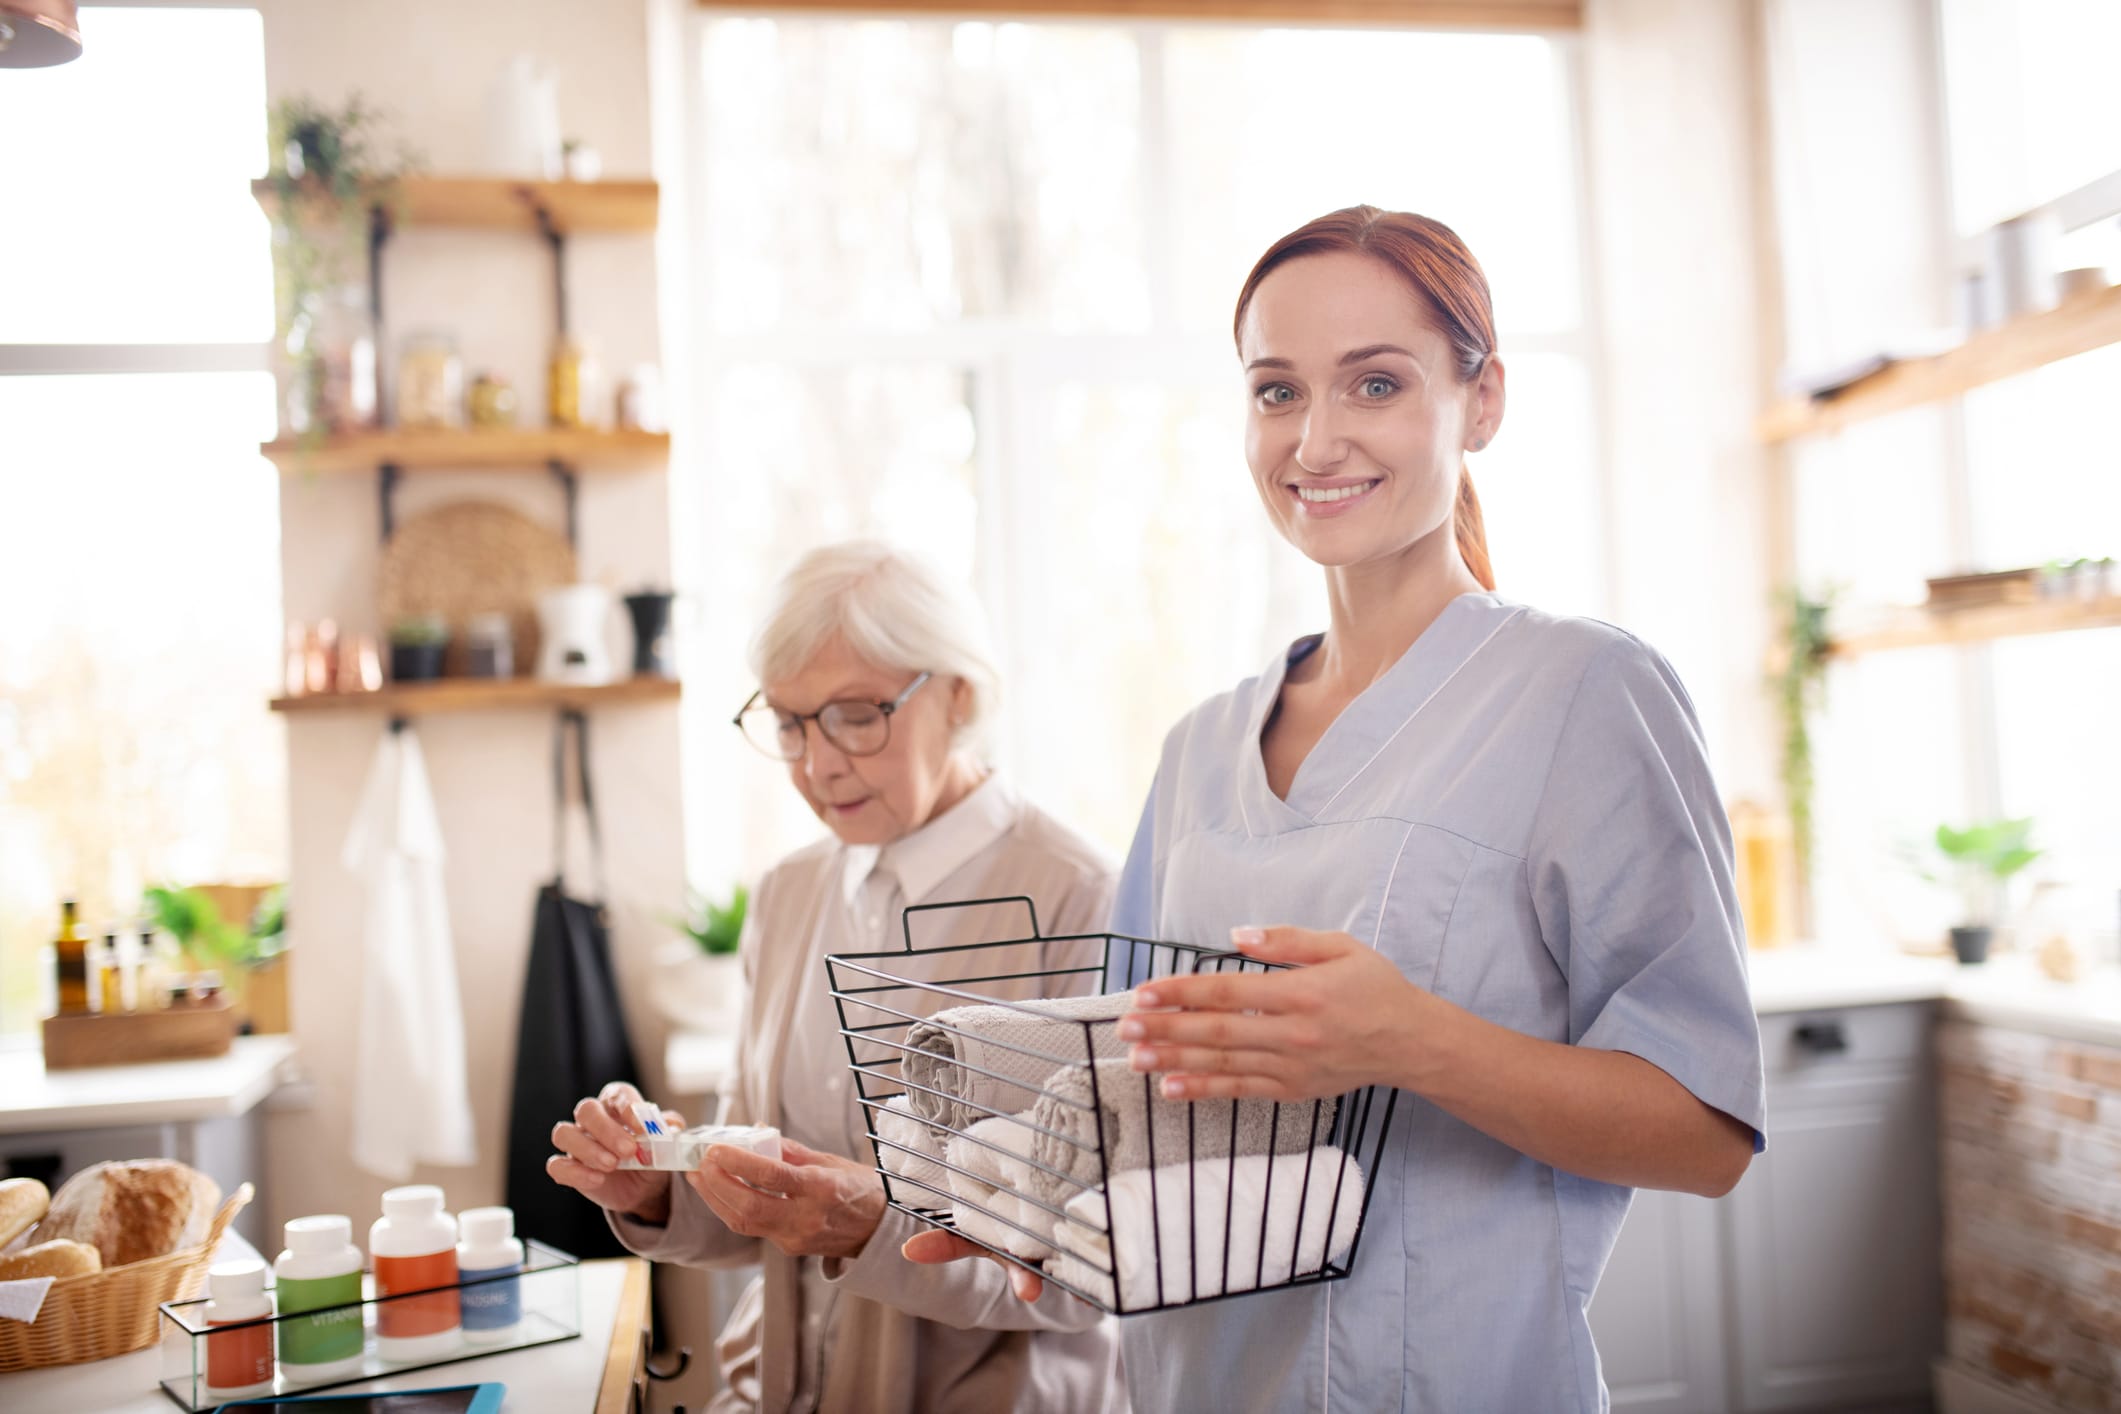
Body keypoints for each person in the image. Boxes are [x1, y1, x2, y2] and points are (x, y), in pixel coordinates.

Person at [914, 206, 1766, 1411]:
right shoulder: (1200, 749)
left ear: (1482, 401)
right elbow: (1136, 1090)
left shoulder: (1584, 693)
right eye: (1277, 391)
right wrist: (1035, 1205)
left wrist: (1407, 1040)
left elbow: (1706, 1132)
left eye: (1375, 383)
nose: (1315, 440)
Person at [547, 541, 1124, 1414]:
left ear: (959, 695)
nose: (817, 765)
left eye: (856, 716)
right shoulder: (788, 894)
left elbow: (1094, 1264)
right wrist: (662, 1187)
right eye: (789, 723)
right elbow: (758, 1199)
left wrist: (872, 1227)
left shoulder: (1079, 895)